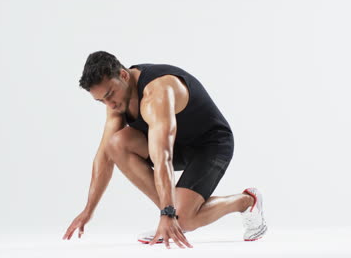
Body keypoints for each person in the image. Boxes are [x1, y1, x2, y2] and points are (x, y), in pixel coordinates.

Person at [62, 51, 267, 249]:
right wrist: (89, 210)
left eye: (109, 95)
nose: (110, 104)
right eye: (101, 101)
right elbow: (104, 158)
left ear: (123, 75)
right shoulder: (118, 100)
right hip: (180, 146)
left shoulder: (157, 92)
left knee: (183, 219)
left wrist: (168, 213)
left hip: (211, 145)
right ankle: (173, 219)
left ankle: (246, 201)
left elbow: (163, 157)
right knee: (115, 144)